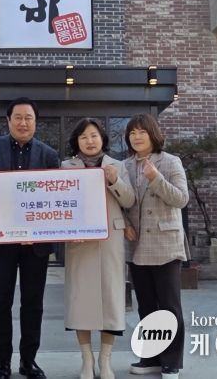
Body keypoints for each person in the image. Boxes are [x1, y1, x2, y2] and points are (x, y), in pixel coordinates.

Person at [0, 97, 60, 379]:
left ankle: (28, 360)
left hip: (36, 244)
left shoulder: (48, 154)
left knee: (33, 303)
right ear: (8, 121)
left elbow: (56, 198)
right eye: (18, 117)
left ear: (36, 122)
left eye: (28, 118)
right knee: (0, 302)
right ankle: (3, 362)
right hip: (1, 241)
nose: (23, 123)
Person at [62, 118, 135, 379]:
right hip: (78, 240)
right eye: (83, 137)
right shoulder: (66, 166)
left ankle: (105, 360)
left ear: (103, 139)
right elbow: (60, 203)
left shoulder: (118, 165)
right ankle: (86, 359)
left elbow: (129, 200)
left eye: (93, 135)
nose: (89, 141)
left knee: (109, 298)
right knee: (80, 298)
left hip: (110, 239)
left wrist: (115, 181)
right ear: (77, 142)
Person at [123, 114, 189, 379]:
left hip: (165, 244)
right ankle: (150, 357)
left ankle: (171, 362)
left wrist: (156, 178)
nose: (137, 137)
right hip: (137, 244)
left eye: (142, 132)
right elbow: (121, 202)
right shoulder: (125, 165)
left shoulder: (170, 161)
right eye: (132, 133)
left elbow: (181, 199)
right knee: (146, 305)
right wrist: (124, 223)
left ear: (153, 134)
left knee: (169, 306)